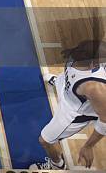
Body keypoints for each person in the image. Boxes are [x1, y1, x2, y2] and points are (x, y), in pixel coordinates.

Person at [30, 39, 105, 170]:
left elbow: (105, 121)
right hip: (69, 88)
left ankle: (57, 165)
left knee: (45, 140)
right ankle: (58, 82)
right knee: (63, 80)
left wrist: (88, 146)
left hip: (75, 111)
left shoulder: (94, 87)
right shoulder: (76, 53)